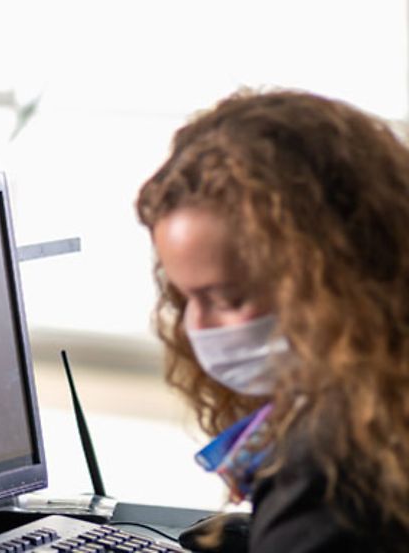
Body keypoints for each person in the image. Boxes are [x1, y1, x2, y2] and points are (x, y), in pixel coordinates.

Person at [136, 90, 409, 551]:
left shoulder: (333, 477)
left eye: (226, 297)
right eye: (184, 301)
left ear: (338, 274)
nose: (193, 327)